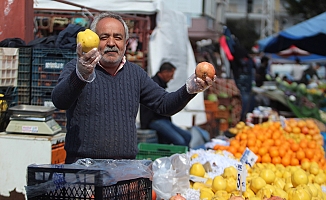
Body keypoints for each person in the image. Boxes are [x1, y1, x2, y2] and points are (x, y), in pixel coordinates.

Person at [51, 12, 215, 164]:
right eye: (104, 37)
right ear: (94, 40)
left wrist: (189, 89)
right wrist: (81, 74)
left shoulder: (135, 74)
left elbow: (164, 104)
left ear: (126, 43)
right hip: (83, 169)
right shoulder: (76, 67)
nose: (111, 43)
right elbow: (59, 101)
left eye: (118, 37)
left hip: (124, 169)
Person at [140, 62, 192, 146]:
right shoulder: (154, 84)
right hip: (153, 120)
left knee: (187, 136)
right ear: (165, 72)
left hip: (163, 119)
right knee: (180, 141)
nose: (172, 78)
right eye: (171, 74)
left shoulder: (161, 84)